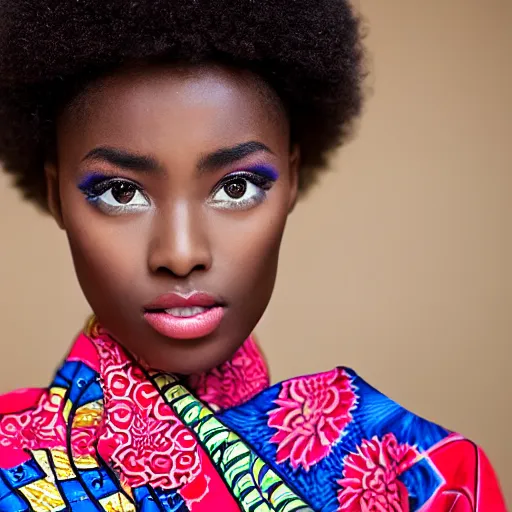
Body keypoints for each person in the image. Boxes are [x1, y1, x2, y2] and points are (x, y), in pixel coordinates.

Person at [0, 1, 506, 510]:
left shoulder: (425, 482)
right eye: (121, 193)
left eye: (237, 186)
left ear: (291, 179)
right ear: (54, 194)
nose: (180, 254)